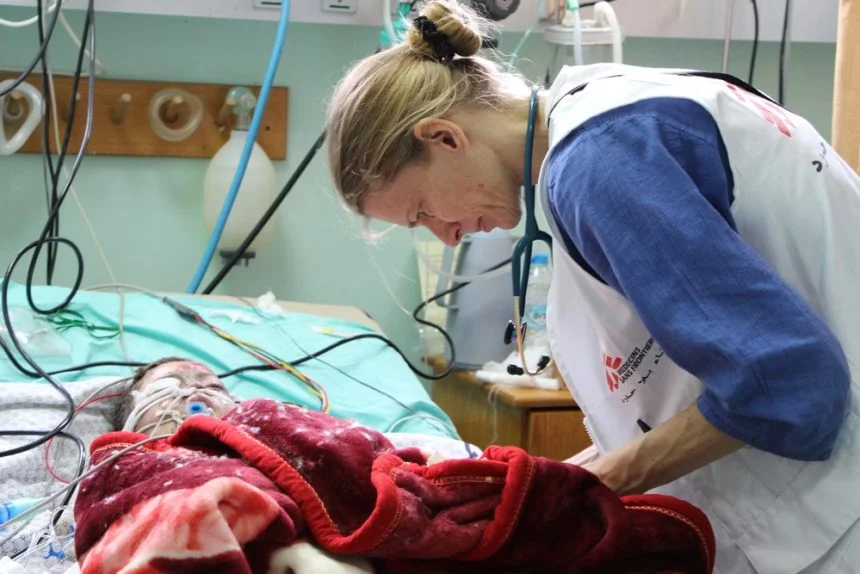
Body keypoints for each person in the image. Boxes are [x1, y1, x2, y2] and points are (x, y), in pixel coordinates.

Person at [323, 1, 860, 572]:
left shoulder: (599, 158)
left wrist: (580, 493)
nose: (446, 237)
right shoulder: (611, 114)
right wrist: (547, 484)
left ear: (444, 137)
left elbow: (782, 382)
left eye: (423, 211)